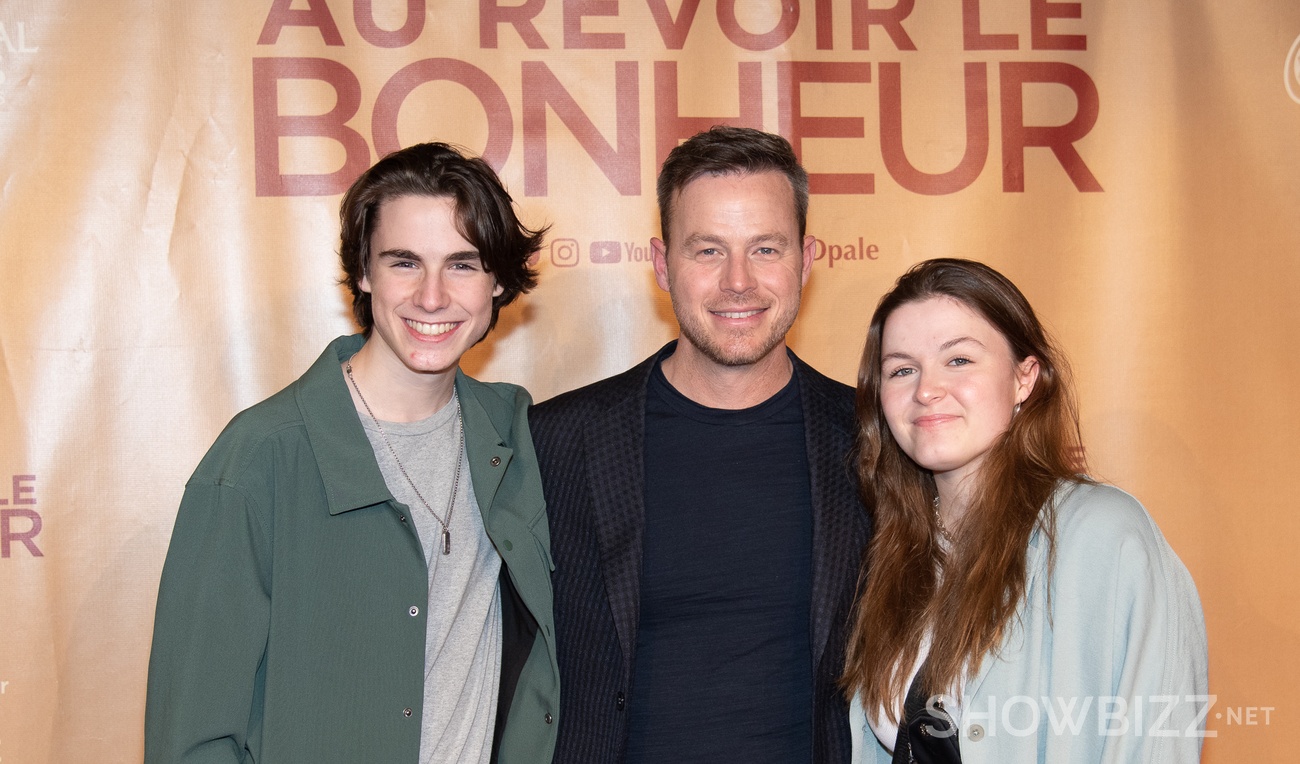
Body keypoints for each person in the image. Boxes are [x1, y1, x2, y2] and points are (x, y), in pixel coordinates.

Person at [145, 143, 559, 763]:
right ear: (363, 273)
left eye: (463, 265)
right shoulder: (261, 458)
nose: (431, 296)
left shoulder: (516, 432)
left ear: (498, 281)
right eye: (404, 263)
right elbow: (192, 736)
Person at [529, 126, 871, 764]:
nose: (737, 282)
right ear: (662, 265)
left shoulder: (873, 440)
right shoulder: (556, 443)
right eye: (707, 251)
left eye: (766, 248)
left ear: (807, 257)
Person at [842, 258, 1208, 763]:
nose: (926, 390)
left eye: (959, 360)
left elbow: (1155, 742)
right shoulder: (890, 553)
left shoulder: (1103, 535)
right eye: (902, 370)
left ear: (1024, 379)